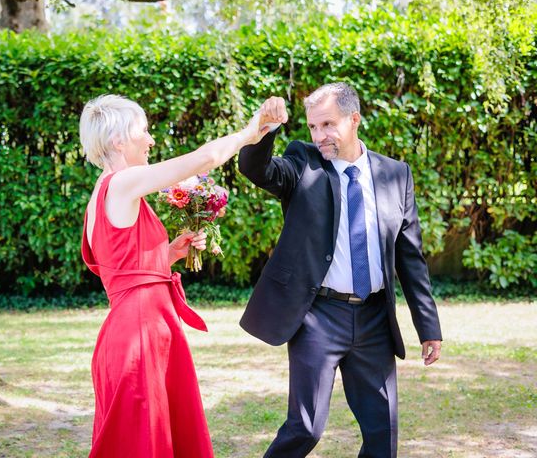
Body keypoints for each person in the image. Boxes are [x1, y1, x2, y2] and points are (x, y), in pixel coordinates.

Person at [238, 82, 443, 458]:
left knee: (384, 430)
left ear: (354, 119)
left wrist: (428, 327)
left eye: (328, 125)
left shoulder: (396, 174)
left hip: (374, 319)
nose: (319, 136)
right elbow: (256, 168)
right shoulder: (303, 163)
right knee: (306, 427)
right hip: (319, 317)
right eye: (313, 127)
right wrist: (264, 128)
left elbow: (410, 258)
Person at [78, 94, 269, 457]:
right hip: (140, 336)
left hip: (137, 328)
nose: (150, 141)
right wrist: (248, 133)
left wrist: (166, 256)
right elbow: (205, 159)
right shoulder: (121, 183)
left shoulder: (101, 195)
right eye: (144, 131)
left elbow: (120, 270)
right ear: (119, 140)